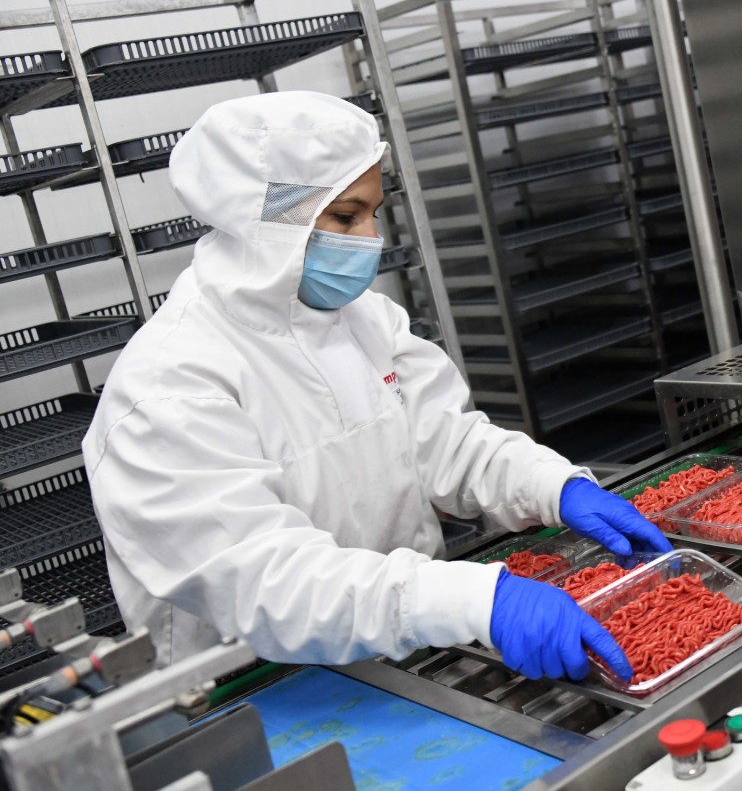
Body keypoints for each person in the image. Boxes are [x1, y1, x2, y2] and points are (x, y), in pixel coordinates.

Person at [82, 92, 672, 681]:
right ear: (268, 222)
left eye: (372, 213)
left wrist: (551, 486)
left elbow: (444, 441)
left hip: (407, 649)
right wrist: (472, 601)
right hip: (262, 691)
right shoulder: (170, 386)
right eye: (346, 217)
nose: (370, 238)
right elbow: (267, 584)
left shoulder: (364, 320)